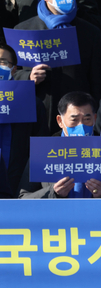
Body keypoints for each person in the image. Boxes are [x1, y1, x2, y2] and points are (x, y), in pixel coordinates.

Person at [13, 0, 101, 134]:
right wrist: (28, 77)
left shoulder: (89, 31)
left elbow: (98, 80)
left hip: (75, 115)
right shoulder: (24, 30)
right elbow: (12, 74)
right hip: (38, 109)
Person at [19, 91, 101, 198]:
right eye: (74, 120)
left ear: (95, 119)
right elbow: (23, 198)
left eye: (87, 119)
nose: (81, 125)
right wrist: (53, 192)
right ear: (60, 121)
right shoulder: (41, 155)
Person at [0, 44, 50, 197]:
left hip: (19, 183)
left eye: (3, 62)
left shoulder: (32, 104)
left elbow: (41, 147)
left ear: (14, 69)